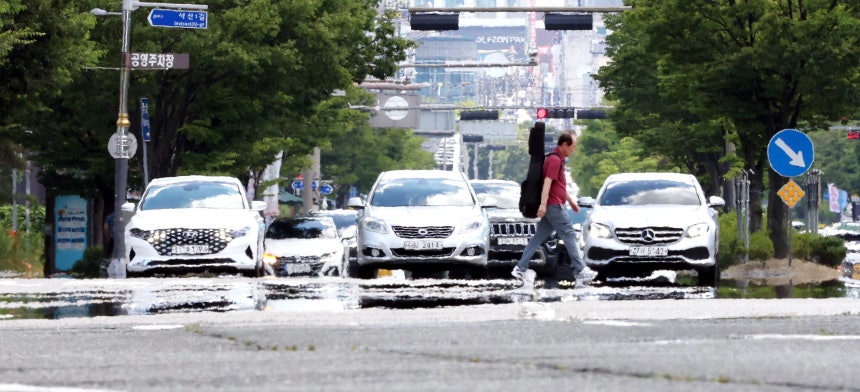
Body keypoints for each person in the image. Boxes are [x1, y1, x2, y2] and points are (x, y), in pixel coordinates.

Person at [512, 131, 597, 287]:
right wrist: (543, 204)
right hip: (553, 205)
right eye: (573, 146)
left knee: (538, 237)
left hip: (554, 203)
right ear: (564, 145)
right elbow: (547, 183)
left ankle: (520, 267)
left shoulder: (558, 160)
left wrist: (571, 201)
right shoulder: (554, 160)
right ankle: (581, 270)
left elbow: (559, 186)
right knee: (569, 234)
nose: (573, 149)